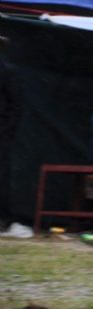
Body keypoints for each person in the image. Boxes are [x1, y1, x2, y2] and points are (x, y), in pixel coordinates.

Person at [0, 36, 22, 231]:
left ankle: (4, 218)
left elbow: (15, 106)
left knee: (1, 176)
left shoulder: (8, 71)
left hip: (1, 134)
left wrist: (5, 132)